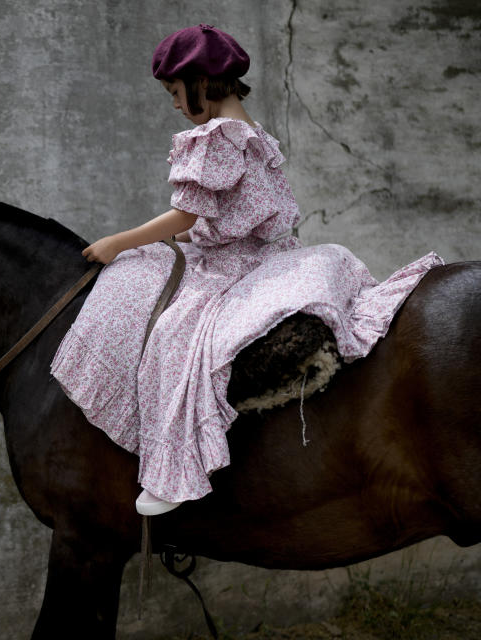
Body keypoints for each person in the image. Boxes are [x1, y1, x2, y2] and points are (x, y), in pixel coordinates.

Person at [50, 24, 442, 516]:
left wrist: (118, 241)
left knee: (174, 336)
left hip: (232, 269)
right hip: (262, 254)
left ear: (200, 83)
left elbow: (185, 215)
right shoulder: (254, 136)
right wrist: (198, 235)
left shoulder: (215, 138)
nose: (173, 104)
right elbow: (237, 214)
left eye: (175, 92)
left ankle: (172, 469)